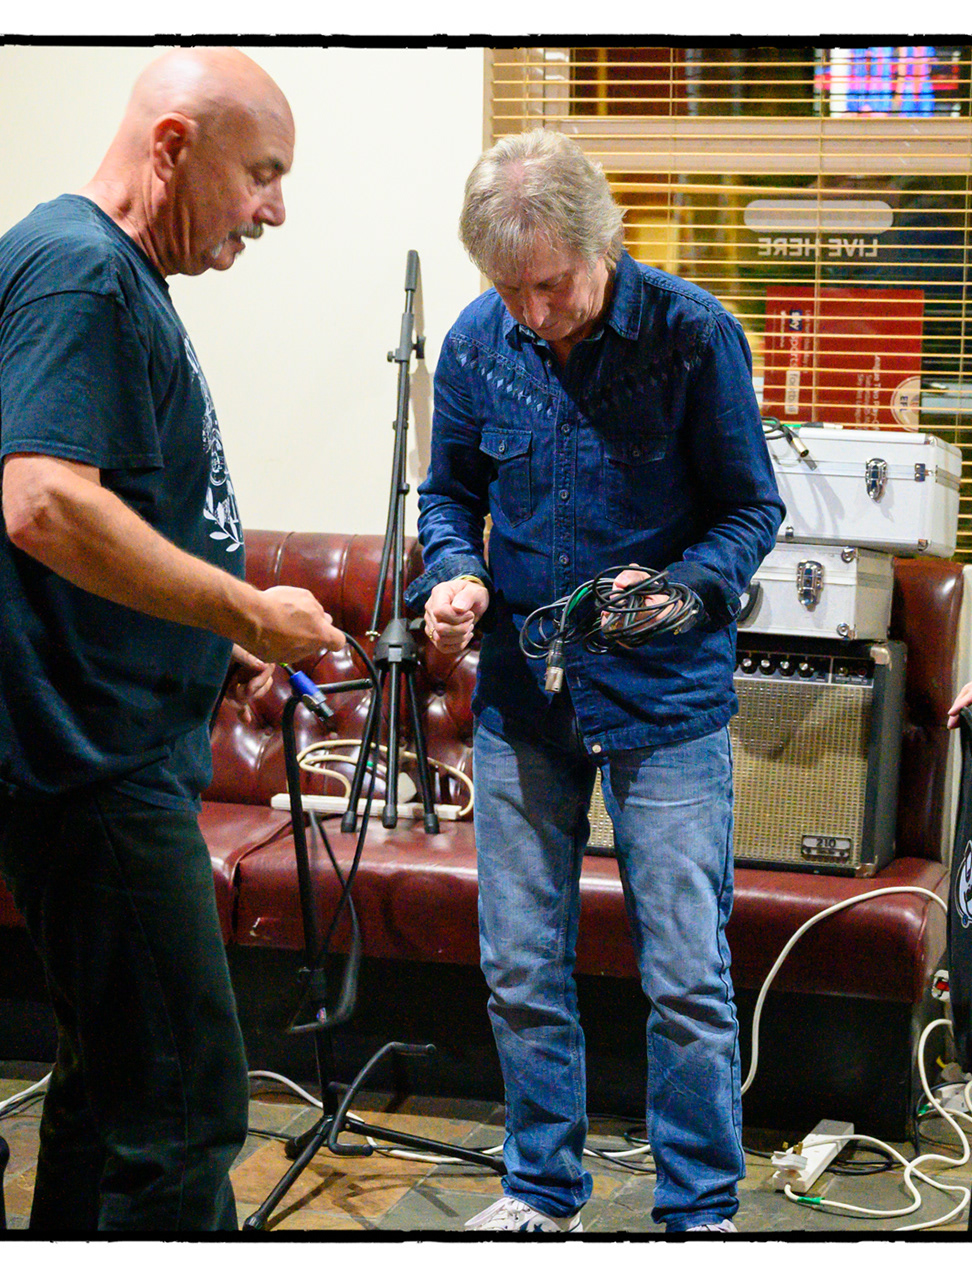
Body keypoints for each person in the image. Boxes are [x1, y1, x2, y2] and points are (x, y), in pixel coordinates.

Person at [0, 48, 344, 1232]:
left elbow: (115, 519)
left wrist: (226, 642)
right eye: (262, 173)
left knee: (111, 1087)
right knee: (184, 1107)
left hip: (94, 749)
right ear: (173, 144)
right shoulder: (81, 275)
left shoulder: (107, 276)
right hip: (83, 762)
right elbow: (46, 503)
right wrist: (248, 609)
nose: (274, 208)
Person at [406, 129, 784, 1233]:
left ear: (600, 242)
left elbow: (751, 510)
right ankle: (540, 1190)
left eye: (551, 285)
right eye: (508, 288)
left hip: (664, 702)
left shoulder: (692, 334)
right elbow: (445, 496)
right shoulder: (478, 344)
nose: (532, 311)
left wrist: (679, 589)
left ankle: (701, 1207)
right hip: (524, 703)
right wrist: (459, 574)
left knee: (685, 978)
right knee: (521, 966)